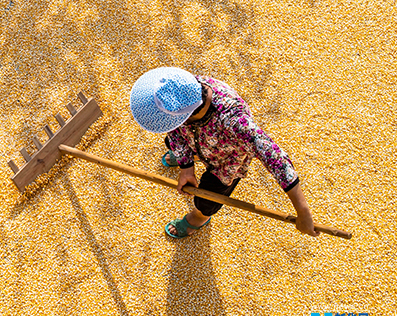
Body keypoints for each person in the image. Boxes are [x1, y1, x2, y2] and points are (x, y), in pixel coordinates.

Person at [129, 67, 319, 238]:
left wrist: (303, 211)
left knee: (207, 198)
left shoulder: (234, 121)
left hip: (226, 160)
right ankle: (191, 156)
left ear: (188, 115)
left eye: (169, 119)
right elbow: (174, 128)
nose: (166, 122)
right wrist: (186, 167)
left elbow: (273, 156)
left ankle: (200, 217)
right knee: (171, 142)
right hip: (195, 139)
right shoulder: (181, 91)